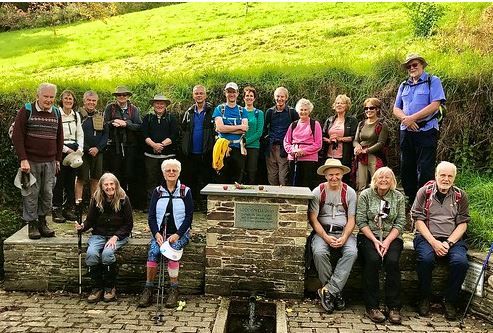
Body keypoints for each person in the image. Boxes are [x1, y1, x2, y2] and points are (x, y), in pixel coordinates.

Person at [411, 161, 469, 320]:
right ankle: (424, 298)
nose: (446, 179)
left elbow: (462, 225)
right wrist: (434, 243)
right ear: (436, 176)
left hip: (453, 239)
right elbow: (418, 221)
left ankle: (449, 300)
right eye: (442, 175)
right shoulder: (425, 192)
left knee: (461, 263)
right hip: (426, 237)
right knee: (426, 260)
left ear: (454, 178)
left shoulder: (460, 196)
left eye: (450, 176)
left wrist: (449, 243)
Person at [138, 159, 192, 308]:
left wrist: (178, 235)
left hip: (180, 234)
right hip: (161, 233)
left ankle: (174, 290)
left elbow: (189, 217)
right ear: (163, 173)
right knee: (153, 252)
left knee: (172, 253)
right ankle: (148, 289)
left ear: (179, 172)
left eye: (174, 170)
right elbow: (151, 217)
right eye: (168, 170)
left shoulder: (185, 191)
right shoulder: (157, 192)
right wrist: (156, 233)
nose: (171, 173)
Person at [11, 82, 63, 239]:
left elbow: (60, 137)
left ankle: (42, 222)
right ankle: (32, 224)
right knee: (31, 193)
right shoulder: (27, 110)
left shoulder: (56, 112)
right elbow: (17, 135)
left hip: (50, 161)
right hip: (31, 161)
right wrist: (23, 159)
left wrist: (58, 159)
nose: (48, 100)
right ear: (38, 96)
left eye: (51, 97)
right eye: (45, 96)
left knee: (47, 193)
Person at [393, 54, 446, 207]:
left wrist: (413, 118)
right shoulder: (404, 85)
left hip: (427, 130)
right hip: (406, 130)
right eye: (409, 66)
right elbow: (396, 108)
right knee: (406, 166)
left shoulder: (433, 81)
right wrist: (406, 120)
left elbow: (435, 104)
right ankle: (410, 198)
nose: (412, 68)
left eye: (415, 64)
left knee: (425, 167)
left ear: (422, 65)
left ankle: (424, 199)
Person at [356, 167, 406, 324]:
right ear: (375, 180)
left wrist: (387, 241)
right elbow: (361, 220)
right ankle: (372, 306)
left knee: (392, 261)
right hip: (368, 236)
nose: (384, 180)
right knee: (373, 259)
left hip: (391, 237)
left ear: (392, 181)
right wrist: (376, 241)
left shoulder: (398, 197)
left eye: (387, 177)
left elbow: (401, 222)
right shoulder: (366, 195)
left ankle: (394, 307)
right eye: (380, 177)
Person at [308, 158, 357, 314]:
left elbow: (352, 219)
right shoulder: (318, 192)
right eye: (330, 175)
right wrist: (325, 237)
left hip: (344, 231)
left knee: (352, 252)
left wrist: (344, 236)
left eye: (337, 174)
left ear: (342, 174)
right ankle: (336, 292)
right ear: (325, 175)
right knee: (319, 252)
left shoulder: (349, 192)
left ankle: (329, 291)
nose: (334, 178)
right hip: (323, 232)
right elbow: (313, 219)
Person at [75, 173, 133, 303]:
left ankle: (109, 288)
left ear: (116, 185)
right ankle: (96, 288)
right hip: (99, 234)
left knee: (107, 254)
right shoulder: (96, 199)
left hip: (118, 235)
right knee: (91, 254)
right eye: (106, 185)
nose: (109, 187)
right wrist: (82, 226)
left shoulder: (123, 199)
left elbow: (129, 224)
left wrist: (116, 237)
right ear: (101, 186)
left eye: (111, 184)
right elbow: (90, 220)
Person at [103, 86, 142, 203]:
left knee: (129, 174)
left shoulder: (134, 109)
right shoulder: (110, 108)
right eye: (119, 95)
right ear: (116, 96)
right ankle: (115, 200)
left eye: (124, 95)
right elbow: (104, 124)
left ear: (128, 96)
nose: (122, 97)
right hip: (114, 146)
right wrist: (114, 122)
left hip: (130, 146)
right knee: (115, 173)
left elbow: (139, 126)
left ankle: (128, 201)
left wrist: (126, 124)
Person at [180, 85, 215, 211]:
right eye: (196, 93)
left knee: (206, 178)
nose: (199, 95)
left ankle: (205, 205)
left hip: (207, 151)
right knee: (191, 179)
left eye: (201, 93)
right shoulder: (188, 113)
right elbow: (183, 132)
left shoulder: (212, 111)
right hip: (191, 152)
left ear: (205, 95)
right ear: (193, 95)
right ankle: (193, 205)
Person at [142, 94, 178, 212]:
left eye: (162, 103)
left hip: (168, 156)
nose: (159, 105)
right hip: (150, 155)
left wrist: (161, 145)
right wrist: (153, 145)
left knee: (168, 179)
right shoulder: (148, 118)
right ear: (153, 105)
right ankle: (151, 205)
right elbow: (144, 134)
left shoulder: (171, 118)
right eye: (157, 103)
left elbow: (174, 135)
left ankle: (168, 204)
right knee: (151, 180)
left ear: (166, 105)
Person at [52, 90, 83, 223]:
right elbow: (54, 135)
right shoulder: (56, 114)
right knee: (59, 181)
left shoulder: (76, 115)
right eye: (66, 98)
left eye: (70, 99)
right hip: (61, 150)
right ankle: (56, 209)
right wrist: (65, 149)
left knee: (71, 181)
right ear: (61, 100)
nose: (68, 101)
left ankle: (68, 209)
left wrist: (80, 149)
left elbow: (80, 134)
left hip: (75, 151)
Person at [75, 91, 108, 202]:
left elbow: (105, 134)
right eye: (89, 100)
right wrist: (87, 148)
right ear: (84, 101)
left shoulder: (101, 115)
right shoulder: (77, 116)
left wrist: (98, 148)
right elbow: (76, 134)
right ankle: (77, 205)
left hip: (98, 152)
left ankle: (94, 205)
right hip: (83, 152)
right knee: (81, 179)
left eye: (93, 100)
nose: (91, 102)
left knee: (96, 179)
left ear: (96, 102)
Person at [212, 82, 248, 184]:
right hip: (222, 148)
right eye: (229, 92)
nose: (231, 94)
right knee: (221, 178)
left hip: (237, 148)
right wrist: (239, 127)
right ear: (225, 93)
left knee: (238, 179)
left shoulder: (242, 110)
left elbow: (244, 129)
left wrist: (227, 128)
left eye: (233, 92)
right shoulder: (219, 109)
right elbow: (220, 128)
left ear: (237, 93)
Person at [263, 87, 298, 186]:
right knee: (272, 175)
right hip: (271, 147)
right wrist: (266, 139)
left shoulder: (292, 112)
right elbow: (265, 128)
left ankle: (284, 197)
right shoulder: (269, 112)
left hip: (285, 148)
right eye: (278, 96)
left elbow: (297, 129)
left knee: (283, 176)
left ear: (286, 98)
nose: (280, 99)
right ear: (274, 97)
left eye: (282, 96)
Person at [283, 98, 322, 189]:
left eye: (305, 110)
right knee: (293, 184)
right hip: (294, 158)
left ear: (309, 111)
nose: (303, 112)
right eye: (301, 109)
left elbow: (318, 144)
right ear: (297, 110)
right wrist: (294, 150)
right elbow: (286, 141)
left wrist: (303, 151)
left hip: (309, 160)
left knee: (307, 185)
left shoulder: (315, 124)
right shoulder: (293, 125)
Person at [353, 98, 389, 193]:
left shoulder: (382, 124)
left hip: (375, 157)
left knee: (376, 183)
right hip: (361, 157)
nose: (368, 110)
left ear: (377, 109)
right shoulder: (361, 124)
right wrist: (357, 147)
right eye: (366, 108)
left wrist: (367, 150)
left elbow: (381, 143)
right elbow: (356, 140)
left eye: (371, 108)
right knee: (361, 184)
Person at [321, 94, 357, 186]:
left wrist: (340, 139)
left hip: (344, 155)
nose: (339, 105)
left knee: (343, 178)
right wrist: (328, 140)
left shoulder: (351, 120)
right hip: (329, 154)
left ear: (346, 106)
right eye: (337, 103)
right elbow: (323, 135)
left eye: (342, 103)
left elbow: (353, 137)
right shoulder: (330, 120)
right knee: (329, 177)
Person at [242, 86, 264, 184]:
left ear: (254, 98)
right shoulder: (240, 112)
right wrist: (241, 143)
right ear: (243, 98)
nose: (249, 98)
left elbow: (259, 132)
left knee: (252, 172)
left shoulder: (259, 113)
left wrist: (246, 141)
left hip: (253, 147)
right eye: (247, 95)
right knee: (240, 172)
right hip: (239, 146)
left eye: (251, 96)